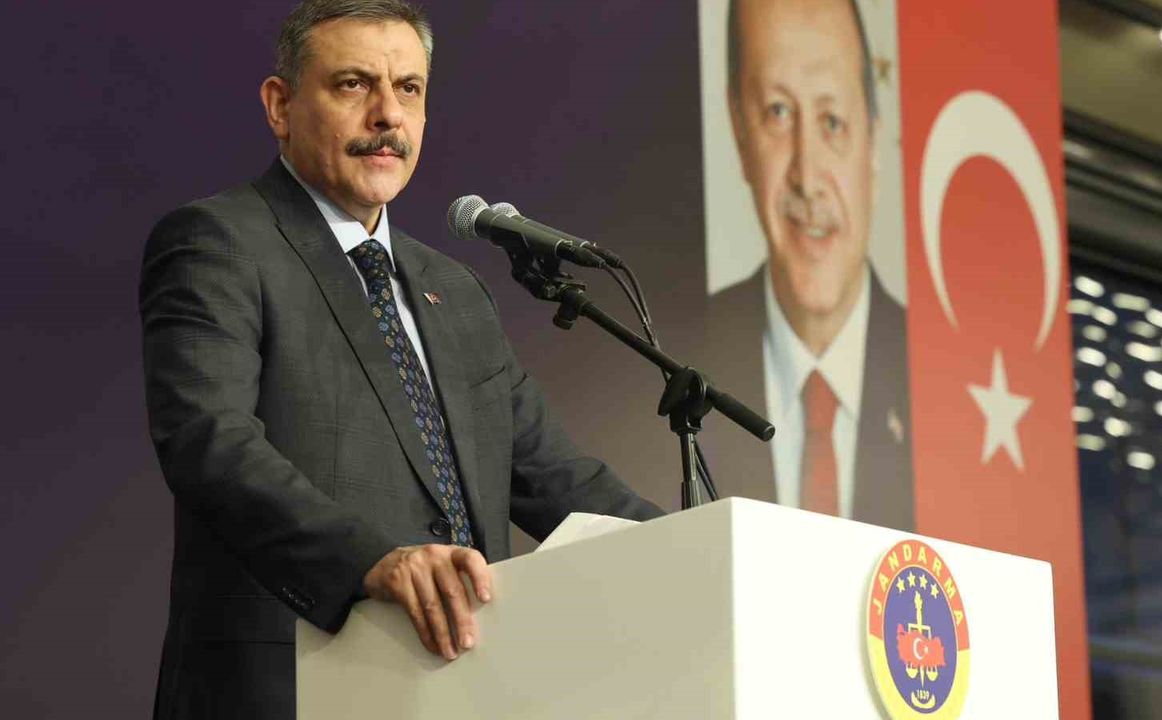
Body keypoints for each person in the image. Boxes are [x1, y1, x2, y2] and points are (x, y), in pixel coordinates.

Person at [139, 1, 663, 717]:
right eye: (354, 84)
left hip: (459, 689)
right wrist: (371, 561)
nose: (388, 114)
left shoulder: (455, 289)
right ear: (281, 106)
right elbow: (209, 443)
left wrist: (710, 552)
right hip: (289, 685)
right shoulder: (219, 243)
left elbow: (554, 478)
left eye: (408, 89)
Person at [701, 0, 913, 529]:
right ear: (739, 132)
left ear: (873, 141)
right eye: (778, 112)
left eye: (832, 121)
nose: (807, 175)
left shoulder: (939, 379)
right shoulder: (674, 369)